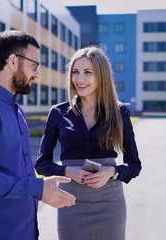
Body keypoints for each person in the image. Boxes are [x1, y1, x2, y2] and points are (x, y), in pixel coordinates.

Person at [0, 30, 76, 240]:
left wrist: (41, 187)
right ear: (12, 61)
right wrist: (38, 188)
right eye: (34, 65)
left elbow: (14, 172)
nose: (37, 73)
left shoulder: (15, 110)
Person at [35, 46, 142, 240]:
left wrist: (112, 171)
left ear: (101, 76)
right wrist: (67, 171)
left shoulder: (120, 113)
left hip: (110, 205)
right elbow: (42, 164)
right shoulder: (58, 113)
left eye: (87, 73)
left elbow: (135, 165)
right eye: (75, 72)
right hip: (70, 204)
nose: (79, 79)